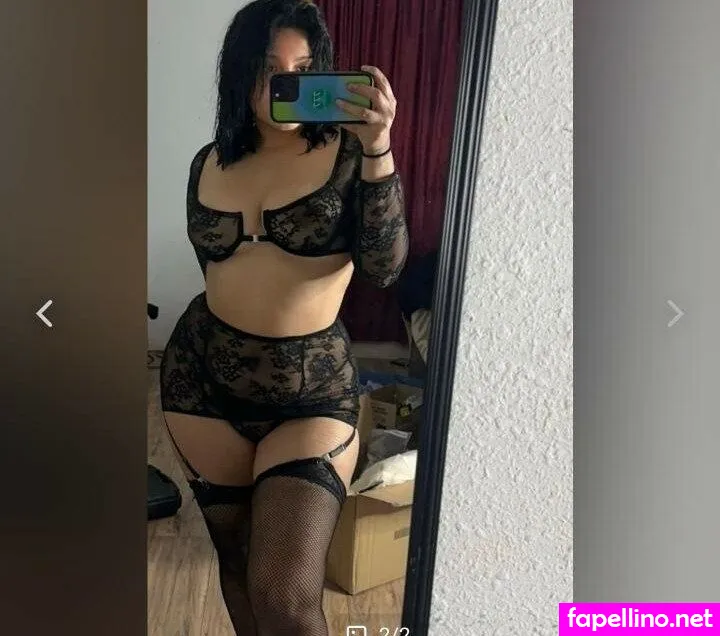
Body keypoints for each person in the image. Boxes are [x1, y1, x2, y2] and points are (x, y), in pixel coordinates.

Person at [159, 1, 408, 634]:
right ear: (239, 72)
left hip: (309, 392)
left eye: (302, 70)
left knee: (286, 598)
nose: (285, 84)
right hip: (201, 380)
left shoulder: (350, 157)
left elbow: (384, 268)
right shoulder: (208, 161)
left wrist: (378, 147)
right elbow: (217, 270)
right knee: (237, 563)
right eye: (270, 68)